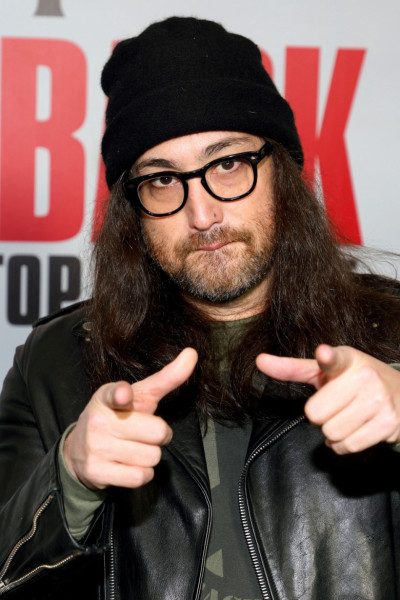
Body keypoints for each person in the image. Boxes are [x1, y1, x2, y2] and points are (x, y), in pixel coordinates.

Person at [1, 15, 400, 600]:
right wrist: (70, 480)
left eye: (228, 164)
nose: (202, 214)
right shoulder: (53, 364)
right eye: (163, 179)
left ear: (282, 172)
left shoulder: (393, 330)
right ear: (132, 209)